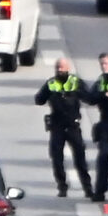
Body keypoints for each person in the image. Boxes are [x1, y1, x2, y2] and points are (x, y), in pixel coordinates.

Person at [35, 55, 96, 200]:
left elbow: (89, 98)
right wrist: (48, 95)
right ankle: (62, 186)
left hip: (73, 126)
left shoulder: (75, 82)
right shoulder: (51, 83)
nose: (60, 70)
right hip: (57, 126)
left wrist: (78, 93)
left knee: (80, 158)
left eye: (62, 67)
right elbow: (39, 99)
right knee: (57, 158)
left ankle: (88, 188)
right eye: (57, 67)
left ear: (68, 68)